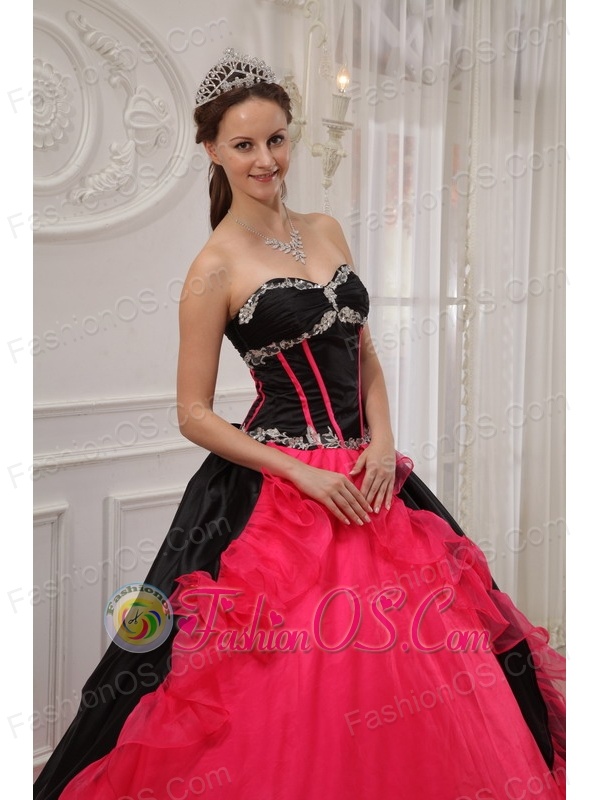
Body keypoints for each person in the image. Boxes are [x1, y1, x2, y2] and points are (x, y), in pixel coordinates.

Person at [34, 49, 566, 799]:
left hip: (371, 479)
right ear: (212, 149)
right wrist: (301, 473)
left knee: (422, 665)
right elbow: (191, 413)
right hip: (282, 488)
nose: (265, 159)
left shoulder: (326, 228)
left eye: (276, 139)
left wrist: (383, 443)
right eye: (244, 144)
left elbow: (363, 353)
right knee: (294, 678)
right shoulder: (214, 265)